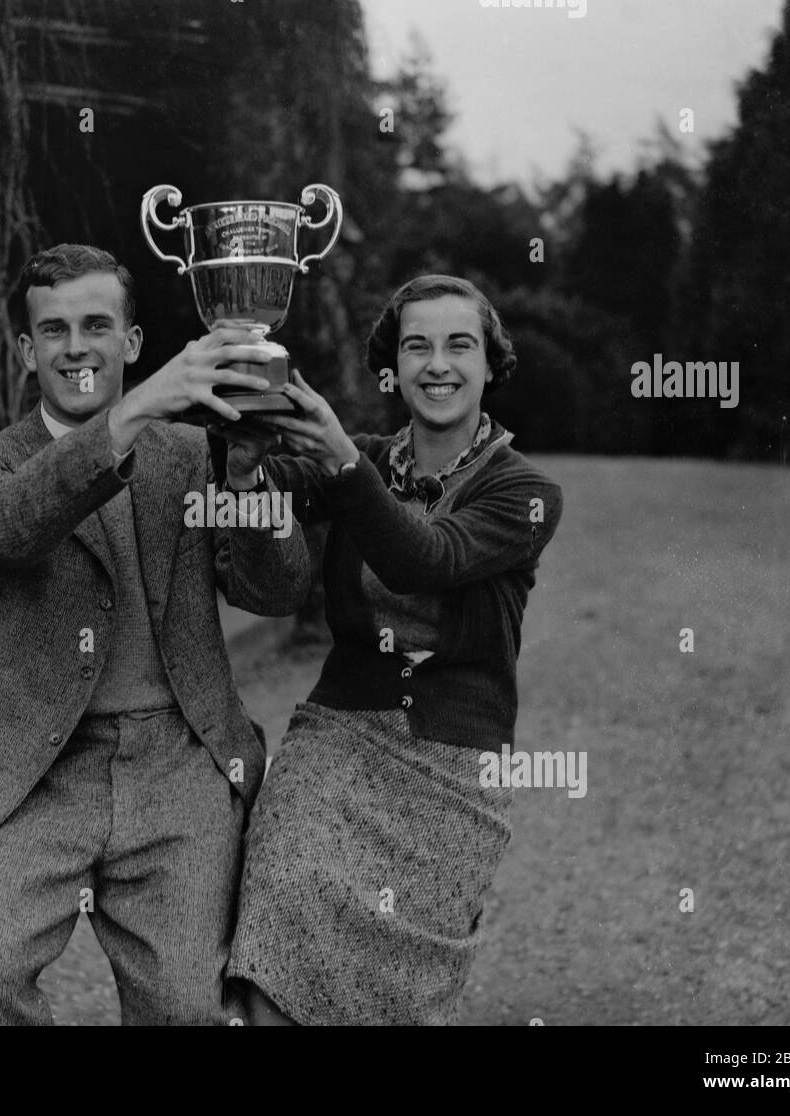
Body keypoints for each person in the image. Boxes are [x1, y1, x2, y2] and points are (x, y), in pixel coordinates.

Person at [0, 243, 310, 1026]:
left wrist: (244, 483)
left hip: (178, 762)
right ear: (27, 352)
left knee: (189, 1008)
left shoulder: (196, 456)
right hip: (34, 769)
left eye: (97, 325)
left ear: (131, 343)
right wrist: (130, 414)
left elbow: (278, 589)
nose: (77, 348)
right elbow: (8, 528)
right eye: (54, 330)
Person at [219, 275, 564, 1025]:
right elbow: (278, 490)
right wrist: (246, 463)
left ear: (489, 363)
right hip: (338, 737)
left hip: (453, 763)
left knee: (394, 995)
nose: (437, 364)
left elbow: (426, 558)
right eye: (417, 347)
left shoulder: (526, 491)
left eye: (458, 345)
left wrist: (345, 462)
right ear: (394, 365)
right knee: (280, 907)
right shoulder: (365, 455)